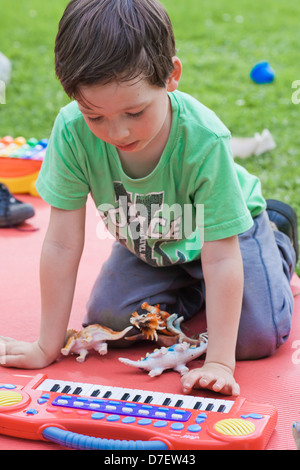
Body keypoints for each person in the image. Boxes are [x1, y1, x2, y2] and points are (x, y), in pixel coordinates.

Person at [0, 0, 297, 397]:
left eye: (135, 112)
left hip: (226, 237)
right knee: (111, 320)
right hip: (153, 245)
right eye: (96, 116)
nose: (118, 132)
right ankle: (193, 288)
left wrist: (221, 363)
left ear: (171, 76)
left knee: (254, 340)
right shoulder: (71, 131)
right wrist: (46, 345)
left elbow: (222, 255)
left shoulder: (203, 139)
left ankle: (276, 239)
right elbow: (61, 242)